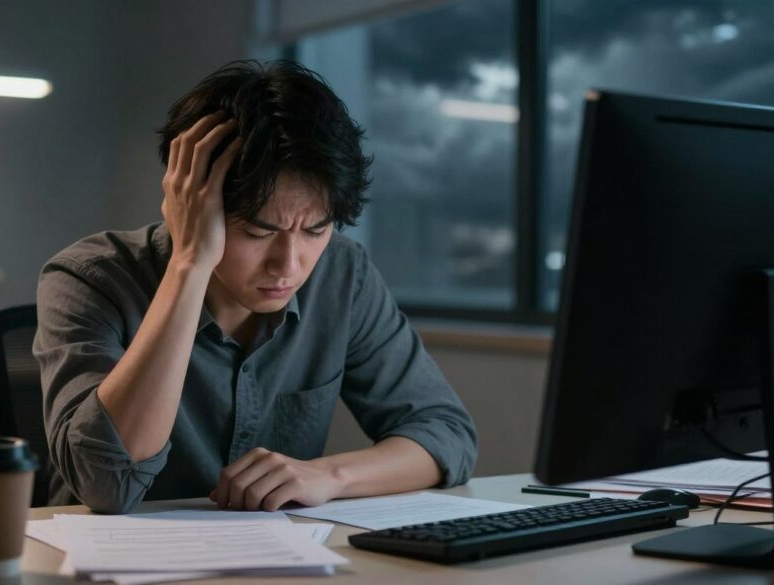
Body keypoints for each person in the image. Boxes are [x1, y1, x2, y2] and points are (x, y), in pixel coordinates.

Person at [34, 60, 477, 514]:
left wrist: (329, 475)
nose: (289, 265)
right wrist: (190, 264)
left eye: (315, 230)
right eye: (258, 232)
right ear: (187, 204)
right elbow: (109, 486)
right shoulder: (87, 279)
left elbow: (445, 433)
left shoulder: (343, 274)